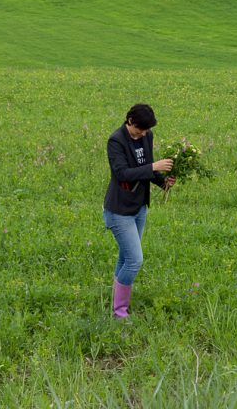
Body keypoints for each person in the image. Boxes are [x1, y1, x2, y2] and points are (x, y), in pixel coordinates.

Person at [103, 103, 176, 319]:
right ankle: (120, 312)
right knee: (135, 260)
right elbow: (123, 173)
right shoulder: (116, 140)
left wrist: (163, 182)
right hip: (119, 210)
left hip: (139, 207)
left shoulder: (146, 137)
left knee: (126, 257)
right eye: (140, 129)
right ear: (130, 121)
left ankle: (117, 302)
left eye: (146, 130)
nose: (143, 133)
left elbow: (146, 169)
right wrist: (154, 167)